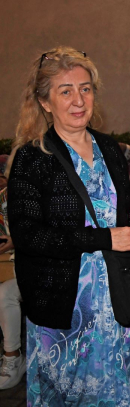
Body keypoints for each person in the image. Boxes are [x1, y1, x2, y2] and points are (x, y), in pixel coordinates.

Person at [7, 47, 130, 406]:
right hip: (64, 312)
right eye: (66, 91)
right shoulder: (32, 158)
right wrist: (105, 238)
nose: (78, 100)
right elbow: (28, 235)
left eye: (85, 89)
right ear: (45, 102)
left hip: (117, 305)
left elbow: (128, 215)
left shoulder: (111, 149)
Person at [0, 149, 24, 390]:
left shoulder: (55, 192)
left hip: (55, 271)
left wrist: (17, 240)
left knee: (6, 294)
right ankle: (12, 355)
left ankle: (13, 357)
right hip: (15, 267)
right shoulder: (5, 198)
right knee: (5, 292)